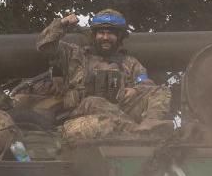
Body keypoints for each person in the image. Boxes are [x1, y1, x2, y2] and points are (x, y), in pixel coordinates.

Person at [36, 9, 174, 134]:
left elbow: (147, 85)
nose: (106, 37)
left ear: (119, 37)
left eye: (111, 34)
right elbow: (44, 46)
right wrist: (62, 23)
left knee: (160, 90)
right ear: (94, 35)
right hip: (83, 119)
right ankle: (136, 131)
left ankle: (150, 125)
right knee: (93, 102)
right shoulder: (75, 55)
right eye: (101, 33)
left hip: (120, 112)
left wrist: (136, 90)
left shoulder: (130, 63)